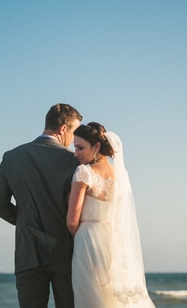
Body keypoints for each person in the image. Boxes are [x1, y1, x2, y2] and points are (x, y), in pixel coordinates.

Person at [0, 103, 83, 308]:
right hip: (66, 252)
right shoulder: (75, 162)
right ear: (63, 129)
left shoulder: (11, 157)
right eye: (75, 132)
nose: (74, 140)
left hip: (28, 253)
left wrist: (25, 223)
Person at [67, 122, 155, 308]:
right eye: (75, 147)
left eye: (80, 147)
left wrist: (80, 236)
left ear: (97, 146)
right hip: (114, 241)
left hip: (88, 240)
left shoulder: (84, 172)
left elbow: (71, 221)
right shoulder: (119, 175)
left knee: (89, 298)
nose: (76, 153)